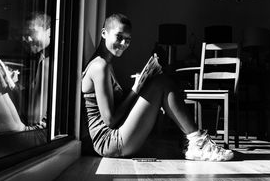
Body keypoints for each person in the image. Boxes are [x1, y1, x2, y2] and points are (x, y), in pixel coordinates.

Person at [82, 13, 234, 161]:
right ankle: (198, 143)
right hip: (108, 141)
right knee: (161, 83)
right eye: (119, 37)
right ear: (104, 33)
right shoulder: (99, 66)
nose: (123, 44)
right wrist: (135, 91)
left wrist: (141, 84)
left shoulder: (105, 64)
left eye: (128, 39)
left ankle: (197, 142)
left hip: (116, 134)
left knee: (159, 82)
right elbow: (110, 120)